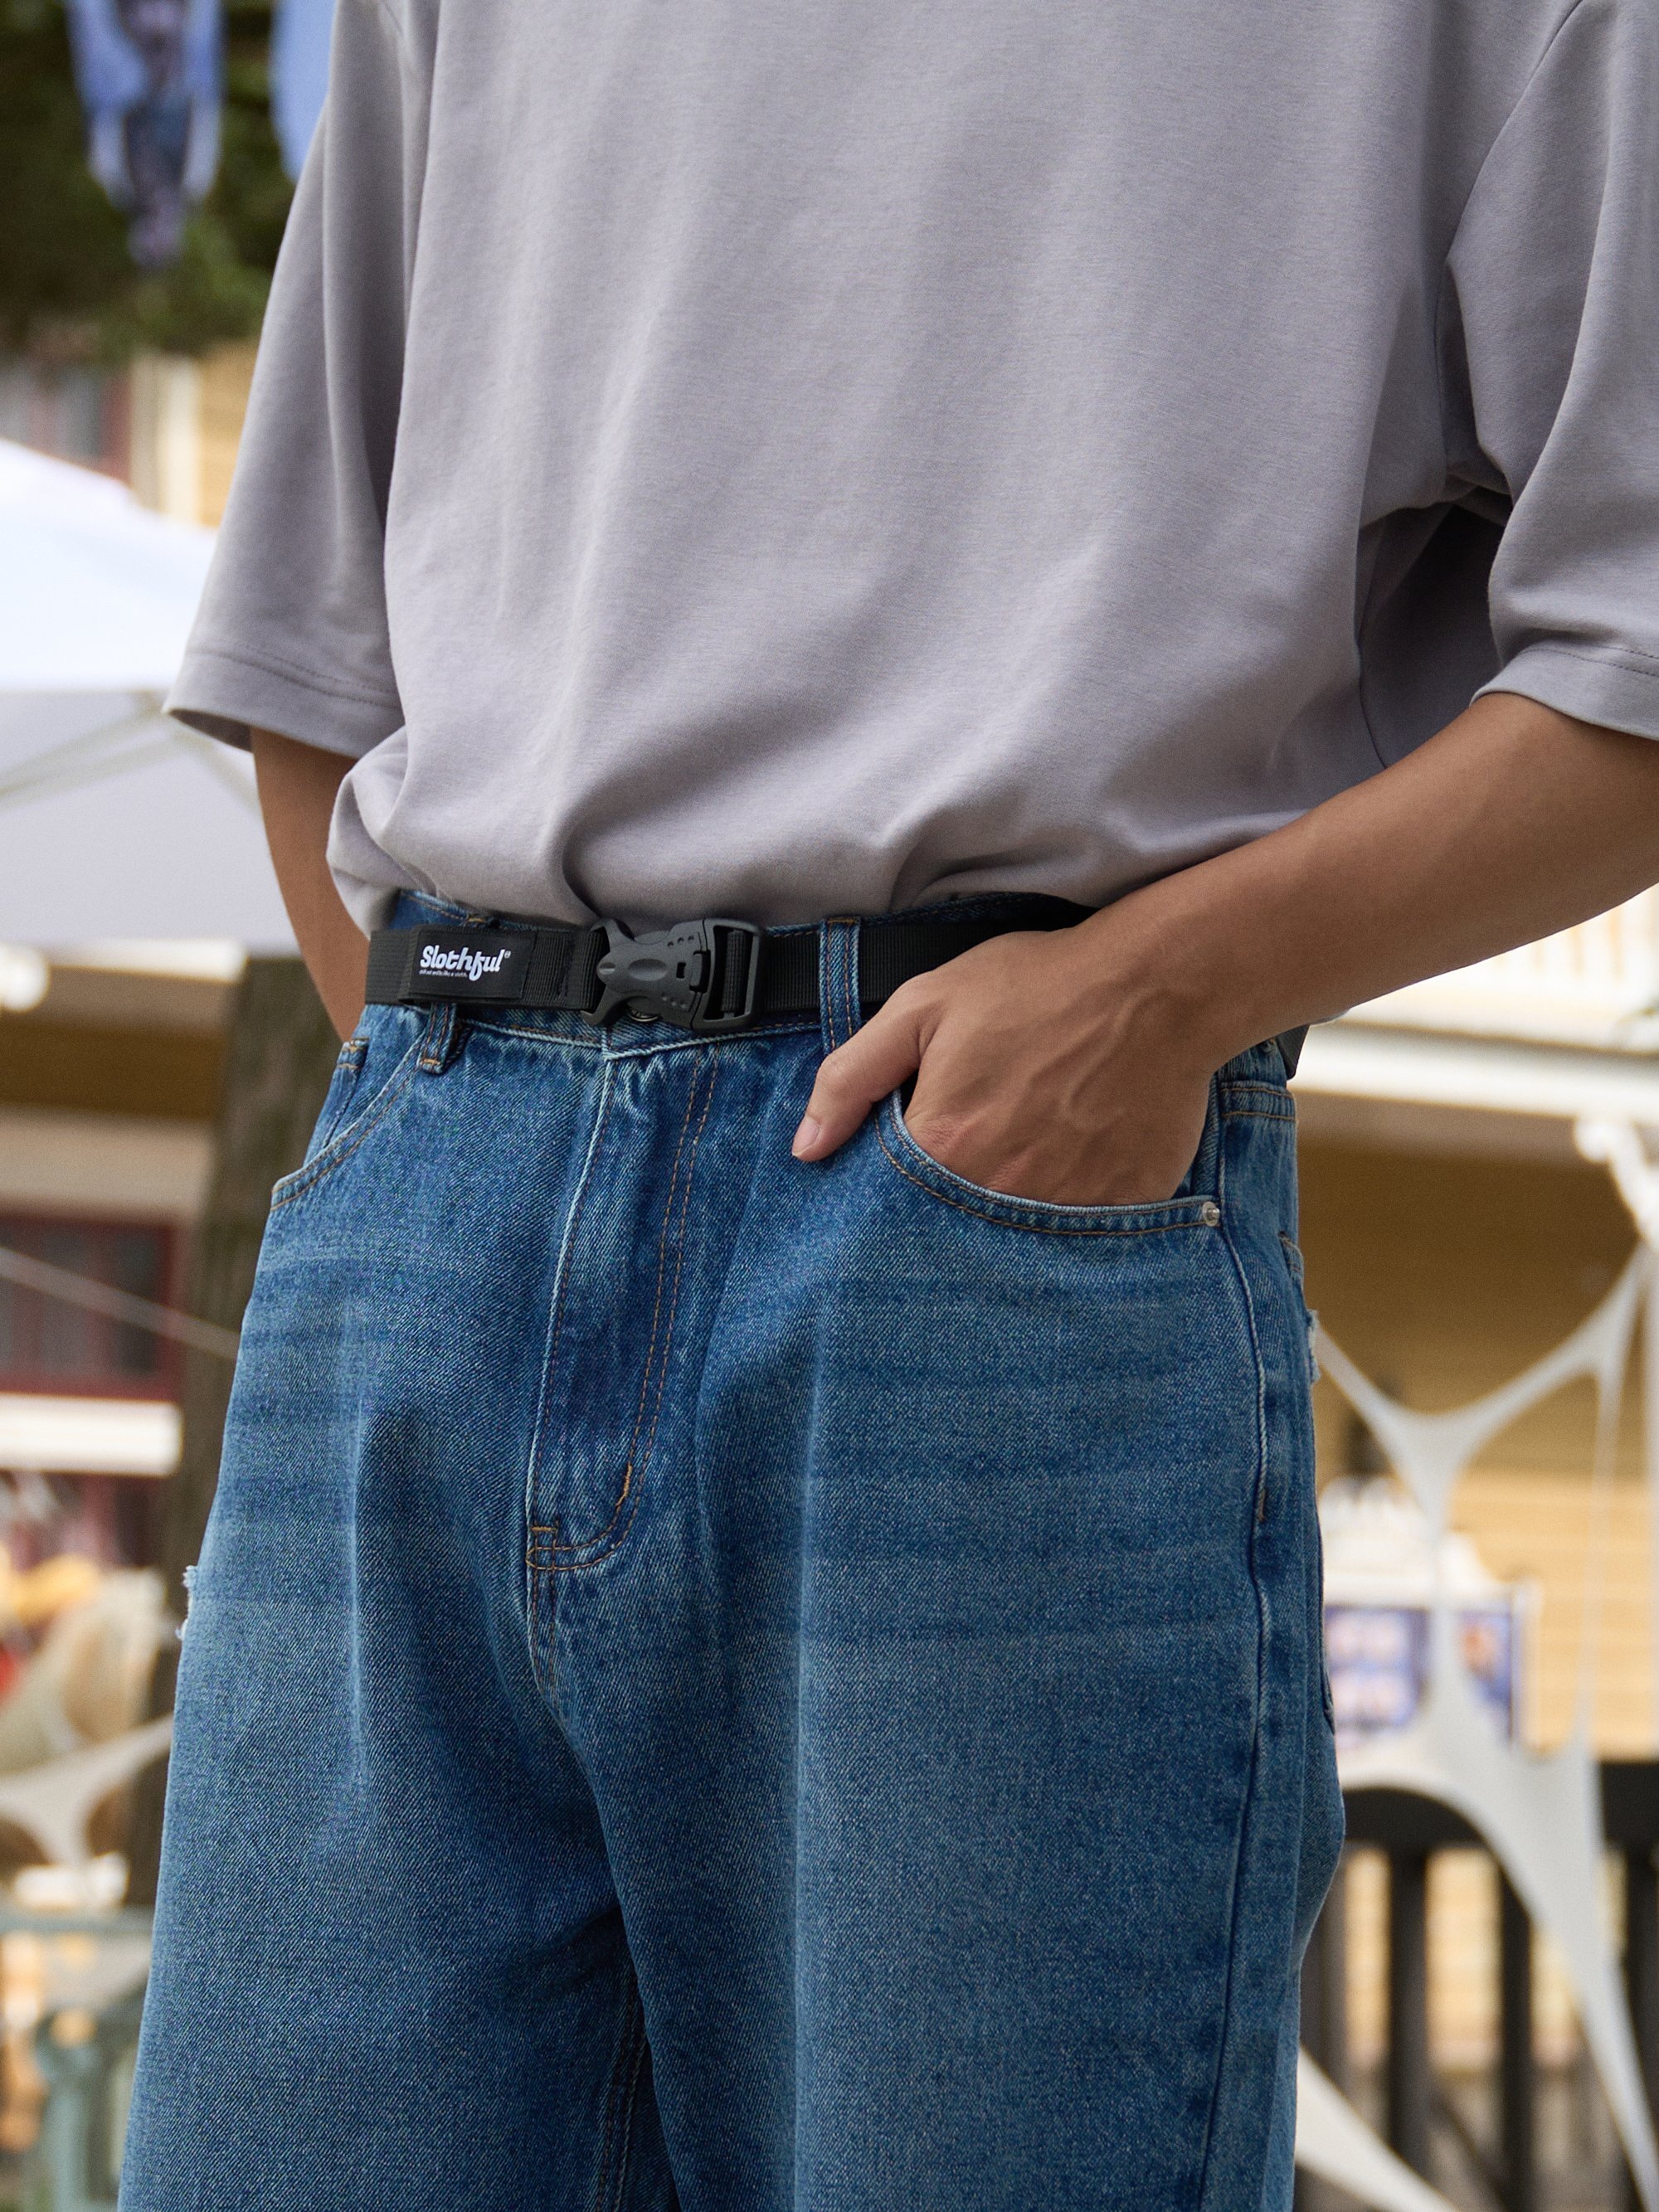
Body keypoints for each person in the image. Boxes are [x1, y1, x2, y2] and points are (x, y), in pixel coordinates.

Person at [120, 2, 1659, 2207]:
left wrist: (1155, 1002)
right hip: (434, 1189)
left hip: (982, 1238)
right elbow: (310, 642)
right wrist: (429, 1111)